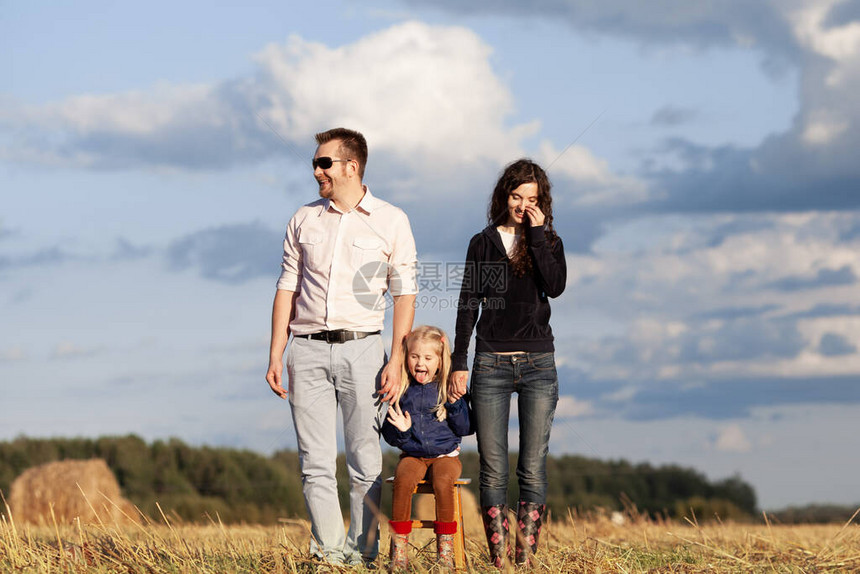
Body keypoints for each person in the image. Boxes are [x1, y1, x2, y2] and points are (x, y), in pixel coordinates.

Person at [266, 127, 418, 565]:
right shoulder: (303, 219)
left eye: (324, 163)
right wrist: (276, 353)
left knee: (365, 461)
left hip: (365, 350)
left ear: (352, 166)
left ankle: (364, 554)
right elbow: (286, 289)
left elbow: (404, 294)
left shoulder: (392, 220)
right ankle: (329, 555)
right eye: (315, 163)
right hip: (306, 349)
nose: (316, 170)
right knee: (313, 461)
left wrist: (398, 362)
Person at [449, 158, 566, 568]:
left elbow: (555, 286)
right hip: (490, 366)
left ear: (541, 202)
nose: (522, 205)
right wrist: (458, 361)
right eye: (516, 196)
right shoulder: (482, 243)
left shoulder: (548, 243)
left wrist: (535, 235)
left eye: (531, 199)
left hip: (538, 364)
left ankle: (525, 559)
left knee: (532, 466)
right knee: (493, 468)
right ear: (504, 196)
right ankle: (499, 561)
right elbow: (468, 304)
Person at [381, 326, 472, 571]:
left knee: (443, 482)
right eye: (414, 357)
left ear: (440, 361)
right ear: (406, 358)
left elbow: (465, 428)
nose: (420, 363)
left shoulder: (448, 388)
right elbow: (388, 435)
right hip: (413, 456)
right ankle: (399, 552)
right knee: (403, 479)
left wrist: (454, 405)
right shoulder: (402, 389)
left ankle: (444, 554)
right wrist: (401, 430)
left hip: (446, 456)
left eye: (427, 358)